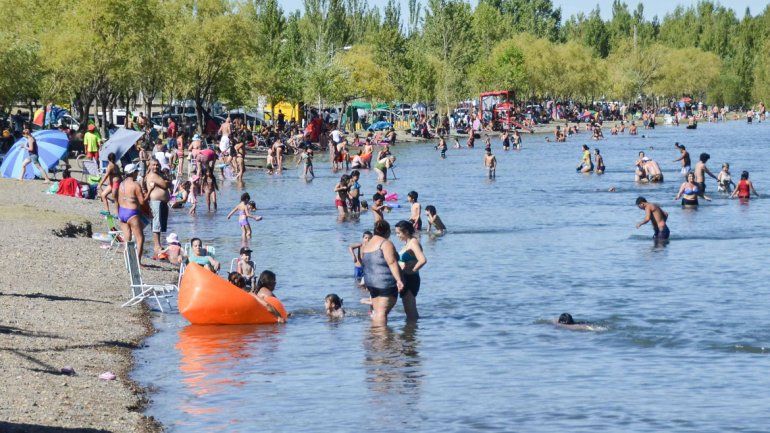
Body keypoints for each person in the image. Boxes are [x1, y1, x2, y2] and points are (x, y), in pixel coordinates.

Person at [360, 220, 404, 326]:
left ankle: (375, 336)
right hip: (385, 282)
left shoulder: (366, 245)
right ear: (387, 232)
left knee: (378, 311)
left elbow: (364, 263)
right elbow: (392, 262)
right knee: (381, 313)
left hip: (371, 282)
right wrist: (399, 280)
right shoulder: (385, 243)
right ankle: (382, 338)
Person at [394, 220, 427, 322]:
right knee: (408, 310)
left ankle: (411, 334)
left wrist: (412, 270)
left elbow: (422, 260)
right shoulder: (407, 243)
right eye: (396, 233)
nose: (397, 235)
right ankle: (410, 333)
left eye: (399, 233)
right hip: (406, 278)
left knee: (411, 311)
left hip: (410, 278)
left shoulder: (413, 242)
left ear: (406, 232)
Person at [116, 164, 147, 264]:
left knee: (127, 238)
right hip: (132, 213)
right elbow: (142, 202)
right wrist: (149, 193)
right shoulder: (135, 184)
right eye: (136, 171)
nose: (137, 173)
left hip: (122, 212)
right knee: (140, 238)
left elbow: (118, 199)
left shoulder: (121, 184)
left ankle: (127, 260)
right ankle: (138, 262)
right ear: (133, 172)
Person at [144, 158, 171, 258]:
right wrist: (166, 182)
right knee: (156, 224)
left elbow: (169, 184)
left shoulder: (158, 175)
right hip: (156, 202)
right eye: (154, 165)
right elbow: (165, 185)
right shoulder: (153, 175)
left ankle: (158, 245)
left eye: (157, 165)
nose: (156, 166)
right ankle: (156, 246)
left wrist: (167, 182)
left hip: (161, 202)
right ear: (150, 166)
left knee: (159, 225)